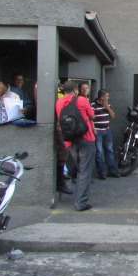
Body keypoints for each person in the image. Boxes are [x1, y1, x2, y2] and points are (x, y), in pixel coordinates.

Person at [55, 80, 96, 211]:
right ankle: (81, 203)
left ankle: (78, 198)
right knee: (85, 171)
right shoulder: (81, 100)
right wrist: (87, 118)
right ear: (75, 90)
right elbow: (92, 115)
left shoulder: (58, 102)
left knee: (78, 169)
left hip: (69, 139)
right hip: (86, 137)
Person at [92, 89, 120, 179]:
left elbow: (113, 116)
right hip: (98, 131)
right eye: (107, 96)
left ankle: (112, 170)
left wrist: (108, 108)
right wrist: (94, 130)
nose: (108, 98)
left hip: (107, 131)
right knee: (99, 152)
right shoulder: (93, 105)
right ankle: (101, 172)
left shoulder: (107, 105)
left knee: (109, 150)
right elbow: (91, 118)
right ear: (102, 97)